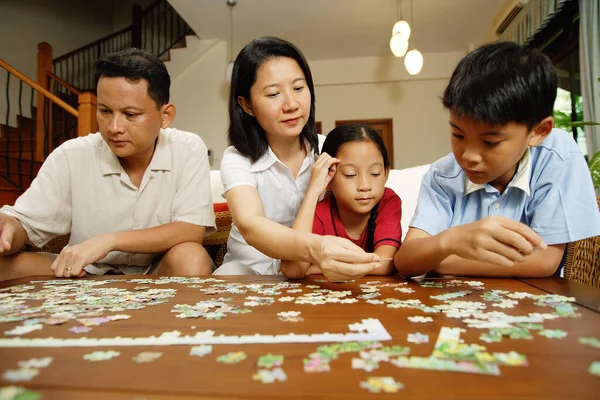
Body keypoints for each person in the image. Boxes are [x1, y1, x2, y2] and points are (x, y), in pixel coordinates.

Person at [0, 48, 216, 281]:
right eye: (104, 111)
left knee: (191, 257)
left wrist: (108, 241)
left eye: (130, 114)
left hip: (156, 272)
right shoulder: (71, 155)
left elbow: (190, 230)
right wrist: (9, 229)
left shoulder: (187, 148)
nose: (114, 127)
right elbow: (25, 224)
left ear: (166, 116)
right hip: (82, 273)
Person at [395, 42, 600, 278]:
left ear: (538, 132)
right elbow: (407, 259)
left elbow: (544, 262)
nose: (468, 156)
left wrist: (439, 261)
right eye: (458, 135)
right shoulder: (442, 176)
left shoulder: (557, 156)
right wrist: (449, 240)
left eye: (490, 142)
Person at [214, 37, 380, 281]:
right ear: (247, 105)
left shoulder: (329, 149)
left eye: (299, 88)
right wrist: (316, 247)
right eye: (273, 94)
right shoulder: (237, 159)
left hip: (312, 273)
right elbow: (251, 224)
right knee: (229, 275)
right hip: (249, 274)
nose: (291, 104)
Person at [280, 124, 402, 279]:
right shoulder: (320, 212)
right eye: (350, 175)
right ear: (329, 177)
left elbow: (385, 262)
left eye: (375, 173)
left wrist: (315, 267)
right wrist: (313, 191)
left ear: (386, 173)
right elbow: (293, 269)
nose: (365, 186)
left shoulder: (387, 201)